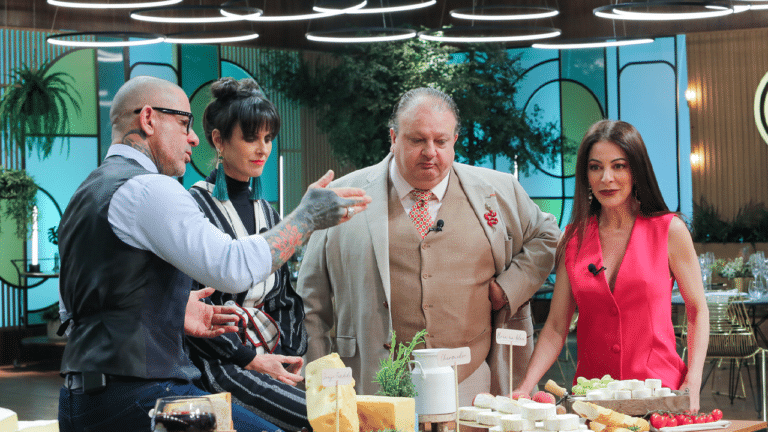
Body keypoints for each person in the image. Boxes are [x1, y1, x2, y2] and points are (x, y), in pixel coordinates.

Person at [57, 75, 370, 432]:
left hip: (81, 400)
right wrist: (306, 218)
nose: (193, 137)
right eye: (183, 123)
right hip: (145, 395)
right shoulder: (150, 189)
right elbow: (232, 267)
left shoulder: (87, 192)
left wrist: (173, 308)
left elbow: (76, 306)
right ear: (148, 119)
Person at [298, 87, 560, 403]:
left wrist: (510, 287)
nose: (430, 151)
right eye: (417, 140)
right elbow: (310, 302)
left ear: (455, 140)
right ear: (394, 138)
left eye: (441, 141)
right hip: (374, 383)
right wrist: (316, 388)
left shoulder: (499, 191)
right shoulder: (341, 196)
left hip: (473, 383)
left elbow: (547, 237)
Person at [512, 120, 709, 411]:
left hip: (660, 395)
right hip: (592, 401)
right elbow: (555, 326)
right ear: (586, 175)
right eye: (596, 167)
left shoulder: (670, 230)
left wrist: (692, 382)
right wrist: (525, 387)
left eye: (619, 166)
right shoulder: (572, 238)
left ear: (636, 170)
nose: (607, 178)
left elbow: (697, 311)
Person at [183, 77, 309, 431]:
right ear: (219, 140)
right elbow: (194, 305)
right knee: (312, 417)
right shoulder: (192, 208)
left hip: (270, 353)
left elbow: (284, 296)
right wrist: (250, 357)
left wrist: (289, 355)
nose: (263, 149)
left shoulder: (268, 213)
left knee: (338, 409)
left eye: (268, 138)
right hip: (219, 361)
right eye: (251, 137)